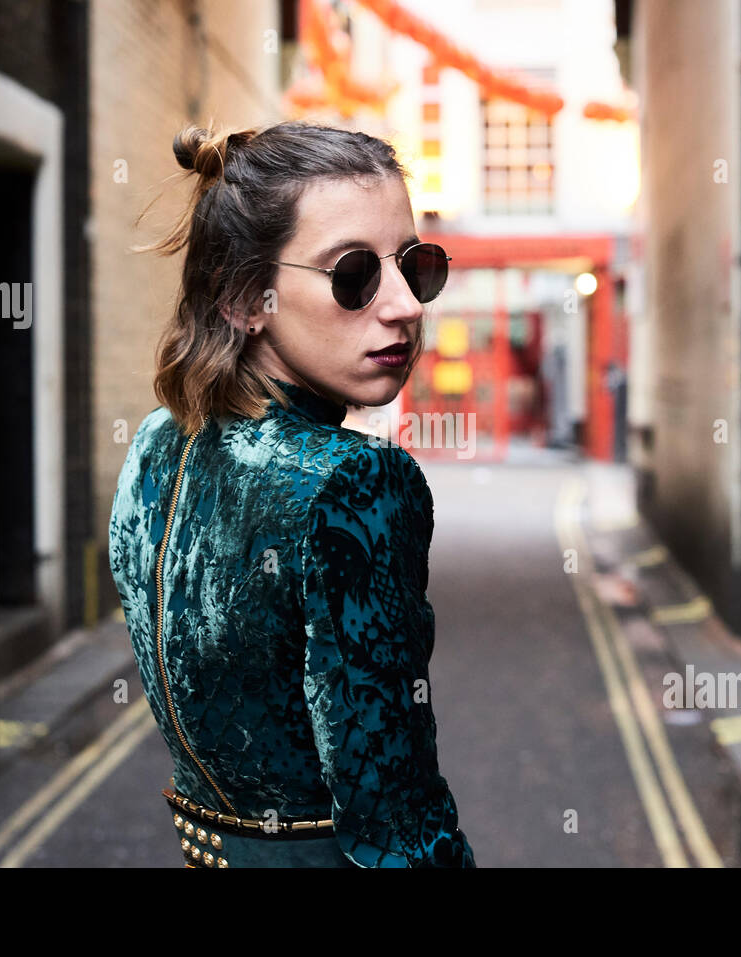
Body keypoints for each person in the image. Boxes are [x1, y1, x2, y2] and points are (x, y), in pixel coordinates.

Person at [108, 119, 476, 868]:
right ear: (246, 299)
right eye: (353, 274)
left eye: (416, 265)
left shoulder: (154, 444)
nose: (406, 304)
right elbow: (398, 822)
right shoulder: (357, 482)